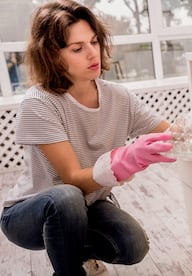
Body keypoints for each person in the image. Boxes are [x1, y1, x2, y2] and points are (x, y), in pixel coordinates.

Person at [0, 1, 177, 275]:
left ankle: (75, 251)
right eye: (77, 48)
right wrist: (122, 161)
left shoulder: (119, 97)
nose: (92, 53)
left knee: (133, 245)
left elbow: (171, 134)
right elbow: (72, 178)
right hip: (30, 214)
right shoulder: (39, 103)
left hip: (88, 203)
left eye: (94, 42)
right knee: (66, 198)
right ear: (51, 55)